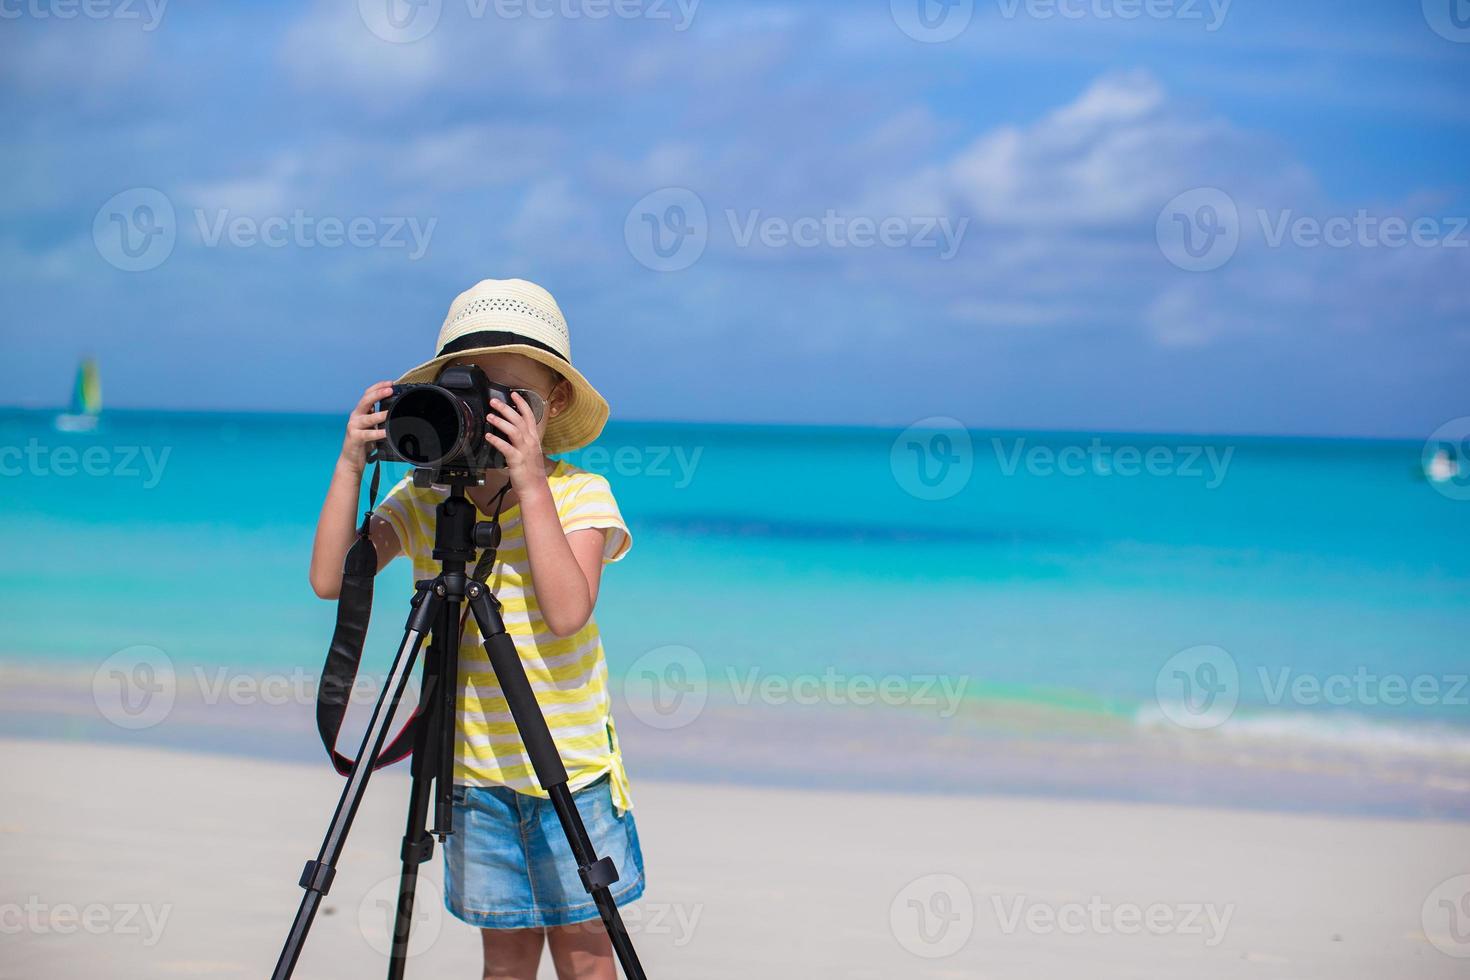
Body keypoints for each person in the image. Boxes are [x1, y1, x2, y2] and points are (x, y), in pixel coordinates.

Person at [309, 278, 644, 980]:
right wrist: (350, 462)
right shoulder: (426, 497)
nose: (489, 420)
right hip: (473, 774)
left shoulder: (579, 494)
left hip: (570, 773)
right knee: (506, 959)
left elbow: (566, 611)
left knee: (585, 958)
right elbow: (334, 579)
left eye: (509, 401)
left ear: (551, 403)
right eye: (475, 398)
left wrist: (528, 484)